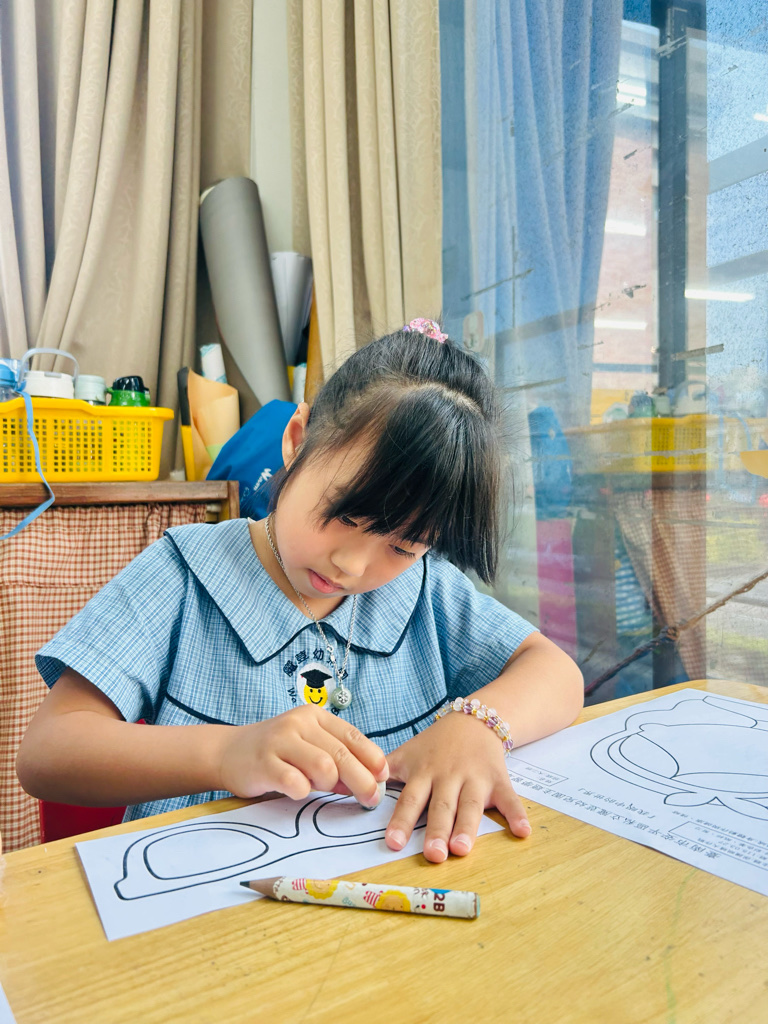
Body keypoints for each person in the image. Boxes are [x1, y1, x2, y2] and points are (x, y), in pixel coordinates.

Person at [17, 319, 583, 863]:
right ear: (296, 440)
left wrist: (478, 726)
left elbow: (556, 672)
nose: (352, 564)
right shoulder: (181, 575)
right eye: (344, 514)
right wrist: (225, 753)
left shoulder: (427, 588)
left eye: (403, 545)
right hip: (201, 899)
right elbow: (48, 751)